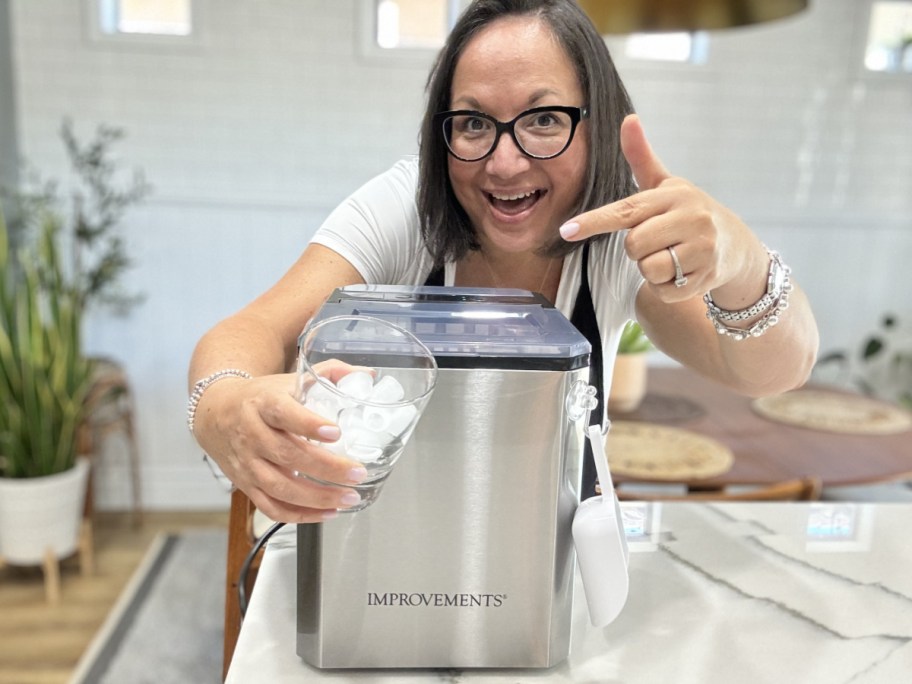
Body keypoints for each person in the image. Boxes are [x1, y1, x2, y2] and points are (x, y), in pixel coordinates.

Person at [187, 0, 818, 524]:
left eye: (544, 119)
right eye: (473, 124)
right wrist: (224, 408)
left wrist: (742, 265)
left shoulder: (622, 237)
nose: (504, 163)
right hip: (388, 558)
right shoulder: (404, 212)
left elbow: (773, 372)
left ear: (597, 126)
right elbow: (251, 332)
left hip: (552, 575)